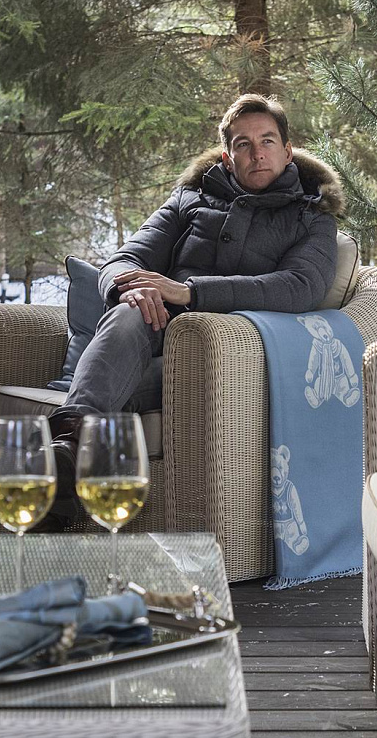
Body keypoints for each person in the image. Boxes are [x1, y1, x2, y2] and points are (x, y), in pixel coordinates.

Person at [46, 93, 345, 523]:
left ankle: (64, 471)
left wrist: (190, 292)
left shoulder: (312, 216)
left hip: (228, 355)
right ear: (227, 158)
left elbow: (300, 288)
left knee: (117, 384)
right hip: (152, 333)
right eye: (243, 144)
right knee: (129, 310)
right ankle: (70, 447)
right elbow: (122, 260)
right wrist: (129, 290)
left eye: (267, 141)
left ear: (287, 151)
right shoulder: (190, 200)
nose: (257, 153)